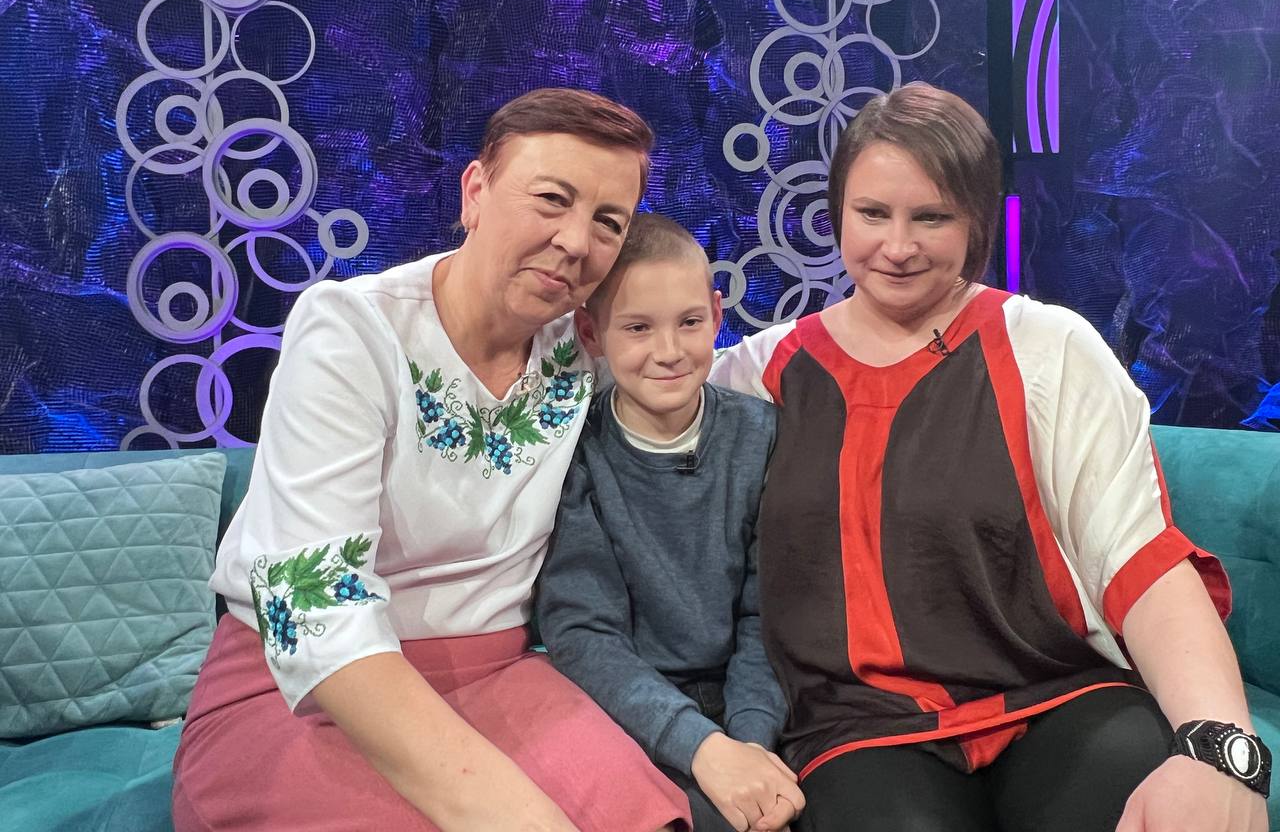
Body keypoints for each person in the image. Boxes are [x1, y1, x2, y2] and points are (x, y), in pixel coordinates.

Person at [709, 82, 1270, 832]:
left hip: (1056, 694)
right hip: (860, 727)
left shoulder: (1050, 349)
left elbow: (1140, 561)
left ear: (975, 219)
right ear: (836, 211)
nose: (897, 246)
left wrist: (1221, 748)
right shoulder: (754, 375)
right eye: (872, 213)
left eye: (931, 216)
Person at [171, 88, 693, 832]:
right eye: (552, 199)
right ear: (475, 192)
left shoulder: (584, 345)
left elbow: (714, 367)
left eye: (609, 222)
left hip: (501, 673)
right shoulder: (353, 331)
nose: (577, 241)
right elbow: (311, 605)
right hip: (314, 684)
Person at [535, 214, 805, 832]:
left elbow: (771, 614)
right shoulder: (575, 455)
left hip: (758, 708)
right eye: (638, 328)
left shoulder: (764, 437)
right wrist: (702, 747)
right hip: (630, 712)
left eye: (689, 322)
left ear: (716, 314)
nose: (669, 351)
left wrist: (749, 747)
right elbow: (584, 634)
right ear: (591, 332)